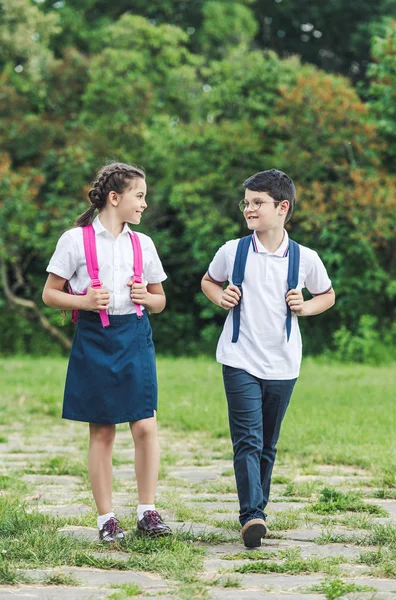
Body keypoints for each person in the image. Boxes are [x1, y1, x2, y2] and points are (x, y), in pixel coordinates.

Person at [201, 169, 335, 548]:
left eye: (257, 202)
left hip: (283, 363)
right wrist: (220, 296)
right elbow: (208, 281)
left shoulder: (305, 258)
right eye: (246, 203)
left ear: (282, 207)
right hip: (239, 356)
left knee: (267, 444)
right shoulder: (233, 251)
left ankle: (258, 508)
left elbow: (327, 294)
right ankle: (252, 516)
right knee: (247, 439)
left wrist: (306, 307)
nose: (249, 209)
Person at [42, 162, 171, 541]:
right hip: (95, 339)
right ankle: (106, 519)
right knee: (102, 431)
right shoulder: (74, 240)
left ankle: (147, 512)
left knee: (145, 425)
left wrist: (146, 296)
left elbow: (160, 301)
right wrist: (81, 301)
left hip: (134, 334)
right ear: (115, 198)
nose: (144, 203)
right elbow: (50, 294)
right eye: (140, 195)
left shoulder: (142, 244)